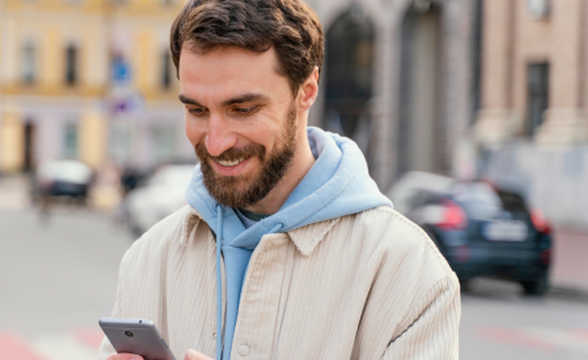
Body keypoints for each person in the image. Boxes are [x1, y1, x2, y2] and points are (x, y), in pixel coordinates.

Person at [101, 0, 460, 359]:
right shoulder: (148, 259)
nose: (215, 141)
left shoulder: (410, 272)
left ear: (306, 91)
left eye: (242, 109)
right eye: (197, 110)